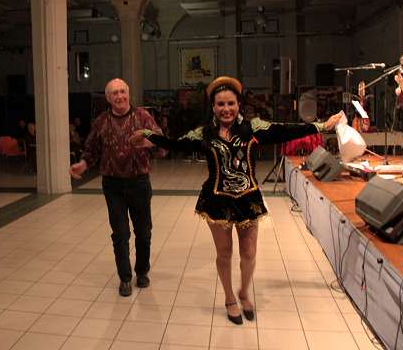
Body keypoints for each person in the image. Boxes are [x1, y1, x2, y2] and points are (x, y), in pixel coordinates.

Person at [131, 76, 341, 324]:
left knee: (249, 252)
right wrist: (148, 135)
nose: (226, 109)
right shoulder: (204, 133)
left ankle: (243, 291)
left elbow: (285, 130)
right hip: (216, 200)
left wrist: (321, 126)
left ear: (238, 104)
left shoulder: (253, 128)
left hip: (248, 199)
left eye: (230, 103)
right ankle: (230, 297)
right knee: (225, 253)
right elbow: (176, 144)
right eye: (220, 104)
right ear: (213, 106)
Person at [69, 78, 165, 297]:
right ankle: (125, 278)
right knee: (120, 234)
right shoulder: (101, 121)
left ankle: (142, 271)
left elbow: (163, 145)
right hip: (112, 186)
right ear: (108, 98)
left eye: (123, 91)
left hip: (139, 183)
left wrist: (149, 142)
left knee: (143, 232)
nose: (120, 96)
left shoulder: (143, 116)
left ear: (128, 94)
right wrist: (83, 164)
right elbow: (91, 150)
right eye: (115, 93)